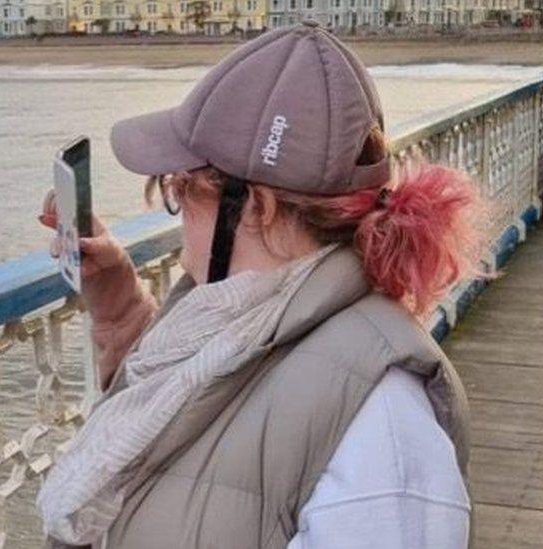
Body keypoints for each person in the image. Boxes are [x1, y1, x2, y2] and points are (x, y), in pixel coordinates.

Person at [35, 21, 487, 549]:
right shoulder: (242, 317)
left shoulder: (383, 429)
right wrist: (116, 304)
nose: (175, 214)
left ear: (255, 207)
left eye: (180, 189)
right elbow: (207, 424)